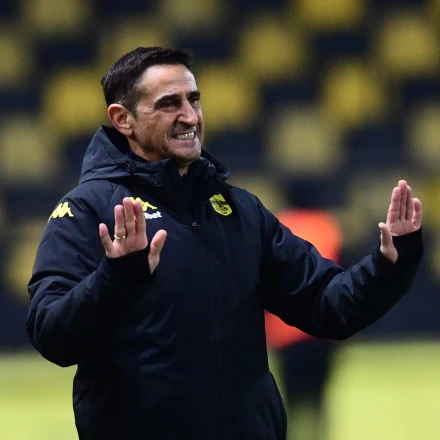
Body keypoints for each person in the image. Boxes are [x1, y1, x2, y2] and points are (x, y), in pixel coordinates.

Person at [26, 47, 423, 440]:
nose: (190, 116)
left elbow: (326, 304)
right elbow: (52, 336)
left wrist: (390, 264)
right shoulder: (87, 210)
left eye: (194, 99)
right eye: (169, 103)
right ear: (123, 119)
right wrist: (116, 278)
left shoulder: (240, 210)